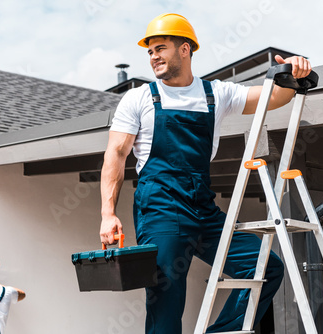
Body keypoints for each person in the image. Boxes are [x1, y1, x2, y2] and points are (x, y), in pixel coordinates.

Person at [99, 13, 312, 334]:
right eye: (150, 51)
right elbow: (115, 154)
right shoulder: (140, 98)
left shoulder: (216, 94)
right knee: (166, 301)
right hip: (160, 210)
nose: (153, 56)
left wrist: (293, 72)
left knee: (266, 267)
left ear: (185, 49)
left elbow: (273, 97)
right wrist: (107, 213)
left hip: (203, 209)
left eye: (161, 48)